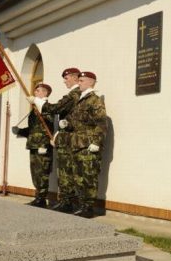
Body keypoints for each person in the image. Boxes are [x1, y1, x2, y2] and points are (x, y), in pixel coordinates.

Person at [32, 67, 82, 213]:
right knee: (64, 172)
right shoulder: (74, 93)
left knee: (68, 172)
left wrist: (38, 102)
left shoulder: (75, 93)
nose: (64, 81)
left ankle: (68, 202)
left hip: (71, 139)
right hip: (65, 137)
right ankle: (66, 201)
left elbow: (56, 108)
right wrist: (57, 135)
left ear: (73, 77)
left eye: (66, 78)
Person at [62, 71, 107, 218]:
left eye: (81, 81)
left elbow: (101, 123)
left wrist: (96, 142)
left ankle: (88, 208)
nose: (78, 83)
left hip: (88, 145)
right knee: (78, 177)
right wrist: (66, 124)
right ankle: (82, 205)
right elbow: (77, 123)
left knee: (88, 177)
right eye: (79, 80)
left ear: (90, 82)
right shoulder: (80, 100)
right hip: (76, 144)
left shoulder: (95, 100)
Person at [12, 83, 54, 208]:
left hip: (43, 146)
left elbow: (50, 126)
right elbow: (33, 129)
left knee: (42, 173)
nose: (35, 92)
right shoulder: (35, 109)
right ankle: (38, 198)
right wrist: (20, 131)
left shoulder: (47, 108)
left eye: (38, 90)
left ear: (45, 93)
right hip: (34, 145)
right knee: (35, 173)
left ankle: (41, 199)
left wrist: (45, 145)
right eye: (35, 90)